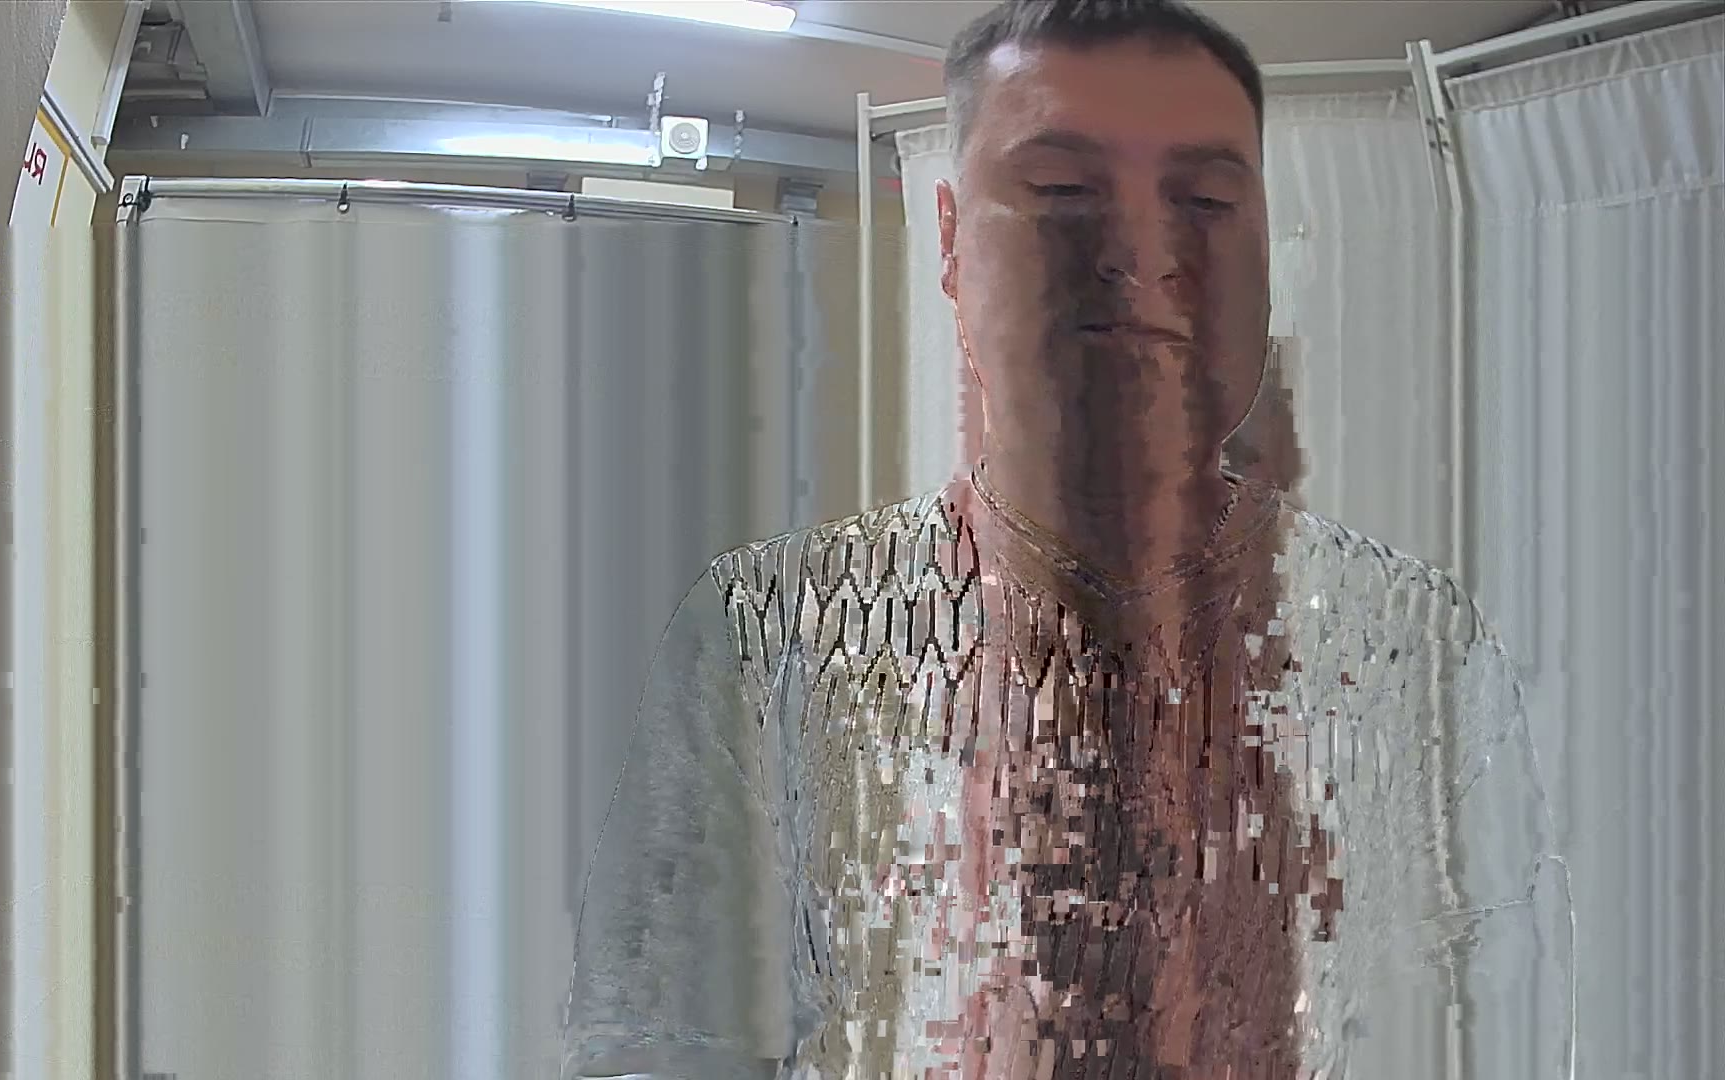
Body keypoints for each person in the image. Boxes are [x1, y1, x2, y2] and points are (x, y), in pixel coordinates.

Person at [564, 2, 1573, 1077]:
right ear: (951, 240)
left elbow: (1501, 1026)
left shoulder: (1411, 645)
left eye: (1205, 200)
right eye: (1060, 192)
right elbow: (660, 1042)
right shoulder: (772, 631)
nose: (1141, 255)